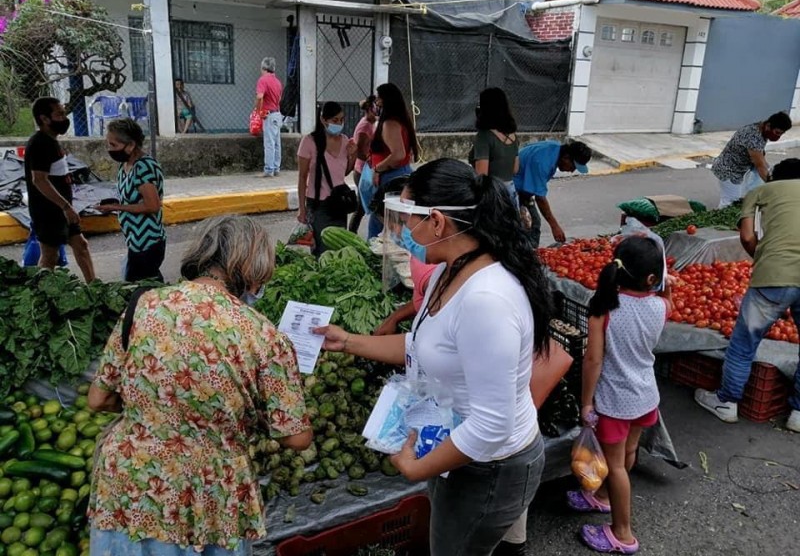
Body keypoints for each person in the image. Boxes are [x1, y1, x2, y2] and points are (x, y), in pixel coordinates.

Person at [316, 158, 552, 555]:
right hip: (457, 451)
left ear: (438, 222)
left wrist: (416, 467)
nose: (405, 230)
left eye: (409, 218)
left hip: (489, 466)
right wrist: (349, 341)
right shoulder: (452, 270)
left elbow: (493, 424)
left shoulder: (486, 300)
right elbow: (422, 346)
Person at [87, 215, 312, 555]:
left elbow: (98, 398)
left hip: (129, 485)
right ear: (253, 268)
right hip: (208, 491)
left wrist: (158, 406)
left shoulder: (143, 305)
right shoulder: (263, 335)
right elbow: (296, 437)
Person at [574, 236, 672, 555]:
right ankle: (602, 497)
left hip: (615, 401)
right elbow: (666, 294)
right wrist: (665, 286)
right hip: (645, 396)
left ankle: (622, 534)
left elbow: (593, 360)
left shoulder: (604, 309)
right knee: (627, 455)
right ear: (652, 279)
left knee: (614, 465)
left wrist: (587, 401)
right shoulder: (661, 307)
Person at [695, 157, 800, 432]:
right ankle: (798, 413)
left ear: (775, 177)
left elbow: (747, 237)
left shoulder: (761, 191)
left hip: (774, 276)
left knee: (743, 343)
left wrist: (762, 259)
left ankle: (727, 403)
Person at [23, 97, 96, 282]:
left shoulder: (51, 141)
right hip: (48, 211)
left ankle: (94, 285)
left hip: (62, 210)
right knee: (49, 257)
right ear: (45, 119)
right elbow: (39, 180)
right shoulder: (40, 144)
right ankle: (40, 297)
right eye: (59, 114)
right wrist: (65, 206)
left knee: (81, 245)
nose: (64, 118)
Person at [95, 119, 167, 282]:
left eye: (113, 145)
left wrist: (117, 207)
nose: (109, 149)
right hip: (135, 241)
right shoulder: (126, 165)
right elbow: (129, 197)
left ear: (131, 145)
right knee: (147, 284)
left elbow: (152, 206)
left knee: (141, 288)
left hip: (148, 241)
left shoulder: (143, 167)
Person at [297, 101, 357, 256]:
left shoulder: (345, 141)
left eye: (342, 120)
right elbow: (302, 177)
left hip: (338, 204)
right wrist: (302, 208)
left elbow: (343, 173)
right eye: (335, 120)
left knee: (339, 248)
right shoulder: (309, 142)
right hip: (318, 205)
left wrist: (354, 155)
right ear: (323, 120)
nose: (339, 124)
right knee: (322, 250)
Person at [364, 82, 418, 239]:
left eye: (379, 98)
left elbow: (398, 154)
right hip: (397, 174)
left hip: (391, 177)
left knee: (379, 223)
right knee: (393, 224)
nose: (377, 103)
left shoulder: (390, 124)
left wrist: (378, 168)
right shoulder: (400, 121)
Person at [514, 139, 592, 247]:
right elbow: (540, 198)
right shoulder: (542, 162)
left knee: (534, 222)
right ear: (566, 157)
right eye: (573, 166)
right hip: (512, 190)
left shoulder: (554, 148)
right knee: (526, 226)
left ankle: (530, 253)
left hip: (525, 190)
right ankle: (523, 255)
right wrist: (554, 226)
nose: (572, 171)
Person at [710, 112, 792, 208]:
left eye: (781, 134)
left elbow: (761, 158)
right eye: (777, 133)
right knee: (729, 203)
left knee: (740, 196)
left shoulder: (761, 128)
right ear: (769, 126)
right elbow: (760, 166)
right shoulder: (753, 137)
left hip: (737, 168)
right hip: (728, 171)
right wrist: (772, 186)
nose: (778, 137)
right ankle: (720, 219)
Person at [469, 87, 520, 203]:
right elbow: (515, 169)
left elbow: (482, 175)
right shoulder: (513, 136)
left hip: (493, 194)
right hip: (511, 190)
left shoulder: (484, 137)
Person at [348, 95, 378, 233]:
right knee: (361, 207)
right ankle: (351, 234)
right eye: (377, 108)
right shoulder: (365, 126)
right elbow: (360, 152)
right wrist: (373, 159)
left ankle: (351, 234)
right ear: (371, 109)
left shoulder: (370, 123)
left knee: (364, 206)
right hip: (362, 171)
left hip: (365, 169)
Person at [255, 56, 283, 177]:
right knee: (277, 143)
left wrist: (258, 110)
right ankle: (276, 168)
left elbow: (260, 96)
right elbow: (279, 99)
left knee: (269, 143)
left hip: (269, 114)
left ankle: (268, 170)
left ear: (264, 67)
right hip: (277, 113)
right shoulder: (277, 82)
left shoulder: (263, 80)